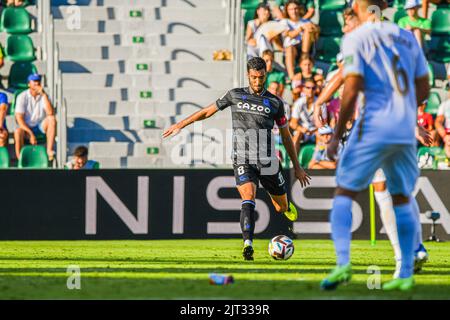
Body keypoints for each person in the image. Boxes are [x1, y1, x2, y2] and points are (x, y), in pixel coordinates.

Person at [321, 0, 430, 291]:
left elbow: (351, 86)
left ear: (358, 7)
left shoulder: (357, 38)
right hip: (403, 127)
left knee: (345, 191)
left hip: (374, 124)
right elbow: (424, 87)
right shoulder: (406, 36)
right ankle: (406, 269)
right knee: (401, 196)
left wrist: (334, 135)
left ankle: (343, 263)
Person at [163, 57, 311, 261]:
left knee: (281, 207)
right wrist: (181, 124)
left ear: (265, 75)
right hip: (242, 158)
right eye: (254, 77)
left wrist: (297, 167)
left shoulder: (275, 103)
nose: (257, 82)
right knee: (248, 196)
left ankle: (285, 206)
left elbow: (286, 136)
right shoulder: (235, 95)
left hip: (267, 160)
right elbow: (207, 111)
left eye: (261, 77)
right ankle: (247, 244)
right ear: (248, 75)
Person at [14, 74, 57, 161]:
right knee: (18, 132)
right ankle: (20, 159)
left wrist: (44, 95)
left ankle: (49, 151)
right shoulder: (22, 96)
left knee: (52, 119)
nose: (36, 83)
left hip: (40, 126)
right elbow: (19, 119)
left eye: (38, 81)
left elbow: (50, 113)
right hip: (26, 128)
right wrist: (30, 134)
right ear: (29, 84)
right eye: (34, 81)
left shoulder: (44, 96)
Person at [280, 0, 320, 81]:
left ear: (299, 9)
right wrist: (301, 28)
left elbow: (316, 34)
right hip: (291, 50)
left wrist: (314, 28)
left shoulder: (305, 21)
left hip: (305, 48)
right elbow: (290, 34)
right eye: (291, 9)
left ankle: (304, 56)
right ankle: (292, 77)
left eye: (295, 8)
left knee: (309, 31)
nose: (293, 11)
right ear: (287, 11)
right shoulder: (284, 22)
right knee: (290, 48)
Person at [289, 79, 326, 154]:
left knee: (320, 134)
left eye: (313, 88)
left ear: (316, 89)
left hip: (316, 130)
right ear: (303, 89)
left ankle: (317, 160)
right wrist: (302, 129)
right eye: (308, 87)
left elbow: (324, 123)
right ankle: (293, 162)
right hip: (303, 131)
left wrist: (315, 131)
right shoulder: (299, 103)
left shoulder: (321, 103)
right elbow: (293, 123)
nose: (311, 90)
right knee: (297, 135)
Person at [435, 90, 450, 162]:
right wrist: (444, 136)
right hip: (447, 133)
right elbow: (438, 122)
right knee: (433, 135)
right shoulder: (444, 105)